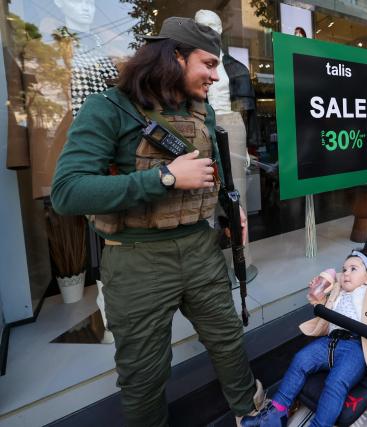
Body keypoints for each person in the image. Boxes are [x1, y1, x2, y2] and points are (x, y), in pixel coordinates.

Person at [51, 17, 264, 426]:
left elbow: (214, 170)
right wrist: (163, 178)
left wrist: (228, 206)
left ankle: (251, 412)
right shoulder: (108, 108)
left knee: (228, 341)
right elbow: (68, 192)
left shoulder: (202, 113)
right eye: (208, 63)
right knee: (144, 374)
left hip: (200, 251)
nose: (215, 76)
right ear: (175, 57)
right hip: (137, 260)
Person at [241, 250, 367, 427]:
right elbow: (320, 303)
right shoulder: (337, 290)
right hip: (329, 341)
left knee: (336, 382)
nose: (346, 273)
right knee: (300, 360)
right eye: (344, 269)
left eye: (353, 268)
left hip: (357, 346)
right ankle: (275, 414)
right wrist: (317, 292)